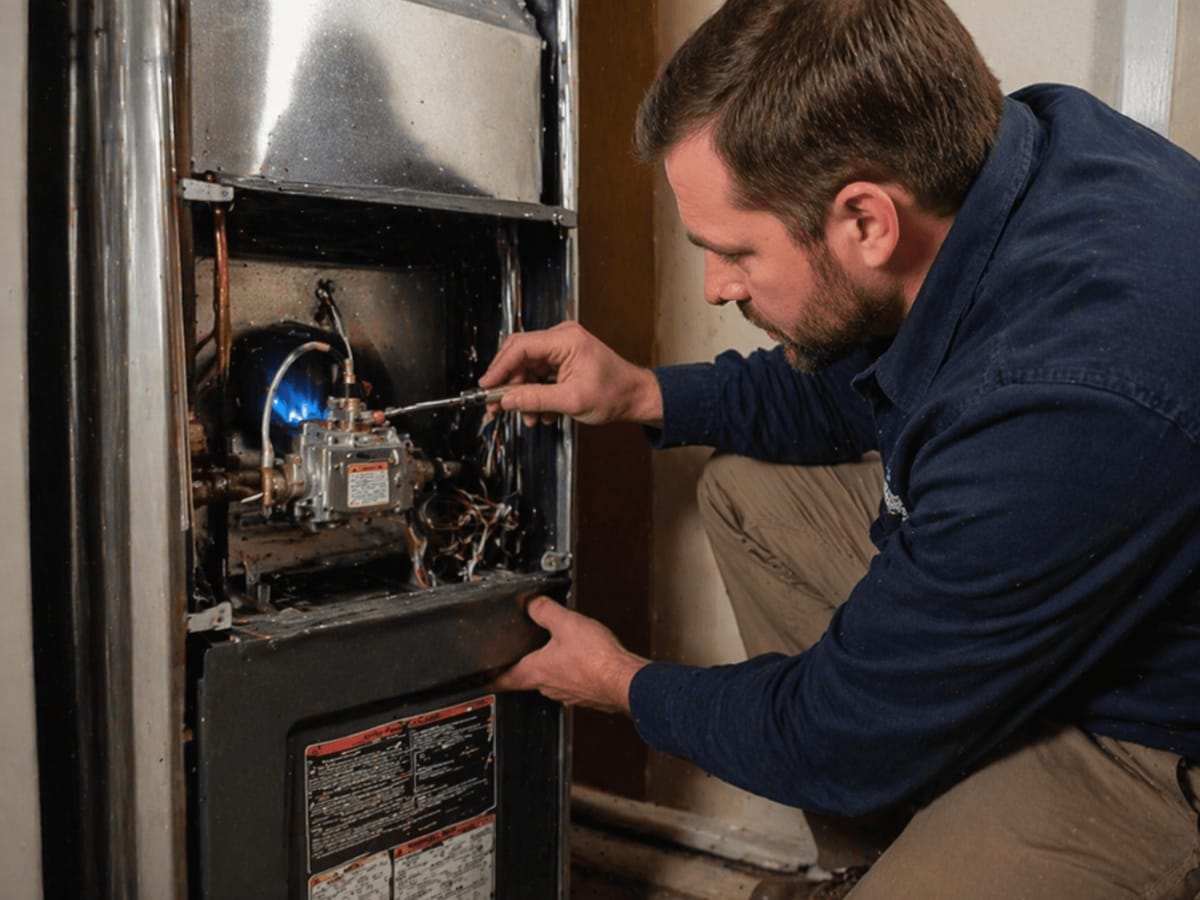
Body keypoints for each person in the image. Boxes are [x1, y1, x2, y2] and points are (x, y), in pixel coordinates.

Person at [483, 1, 1200, 897]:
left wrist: (621, 682)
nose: (714, 288)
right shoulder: (1018, 157)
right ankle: (877, 857)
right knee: (749, 493)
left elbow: (832, 732)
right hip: (1074, 587)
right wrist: (637, 391)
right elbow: (851, 383)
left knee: (857, 745)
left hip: (1154, 733)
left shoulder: (1065, 396)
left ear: (866, 220)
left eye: (735, 251)